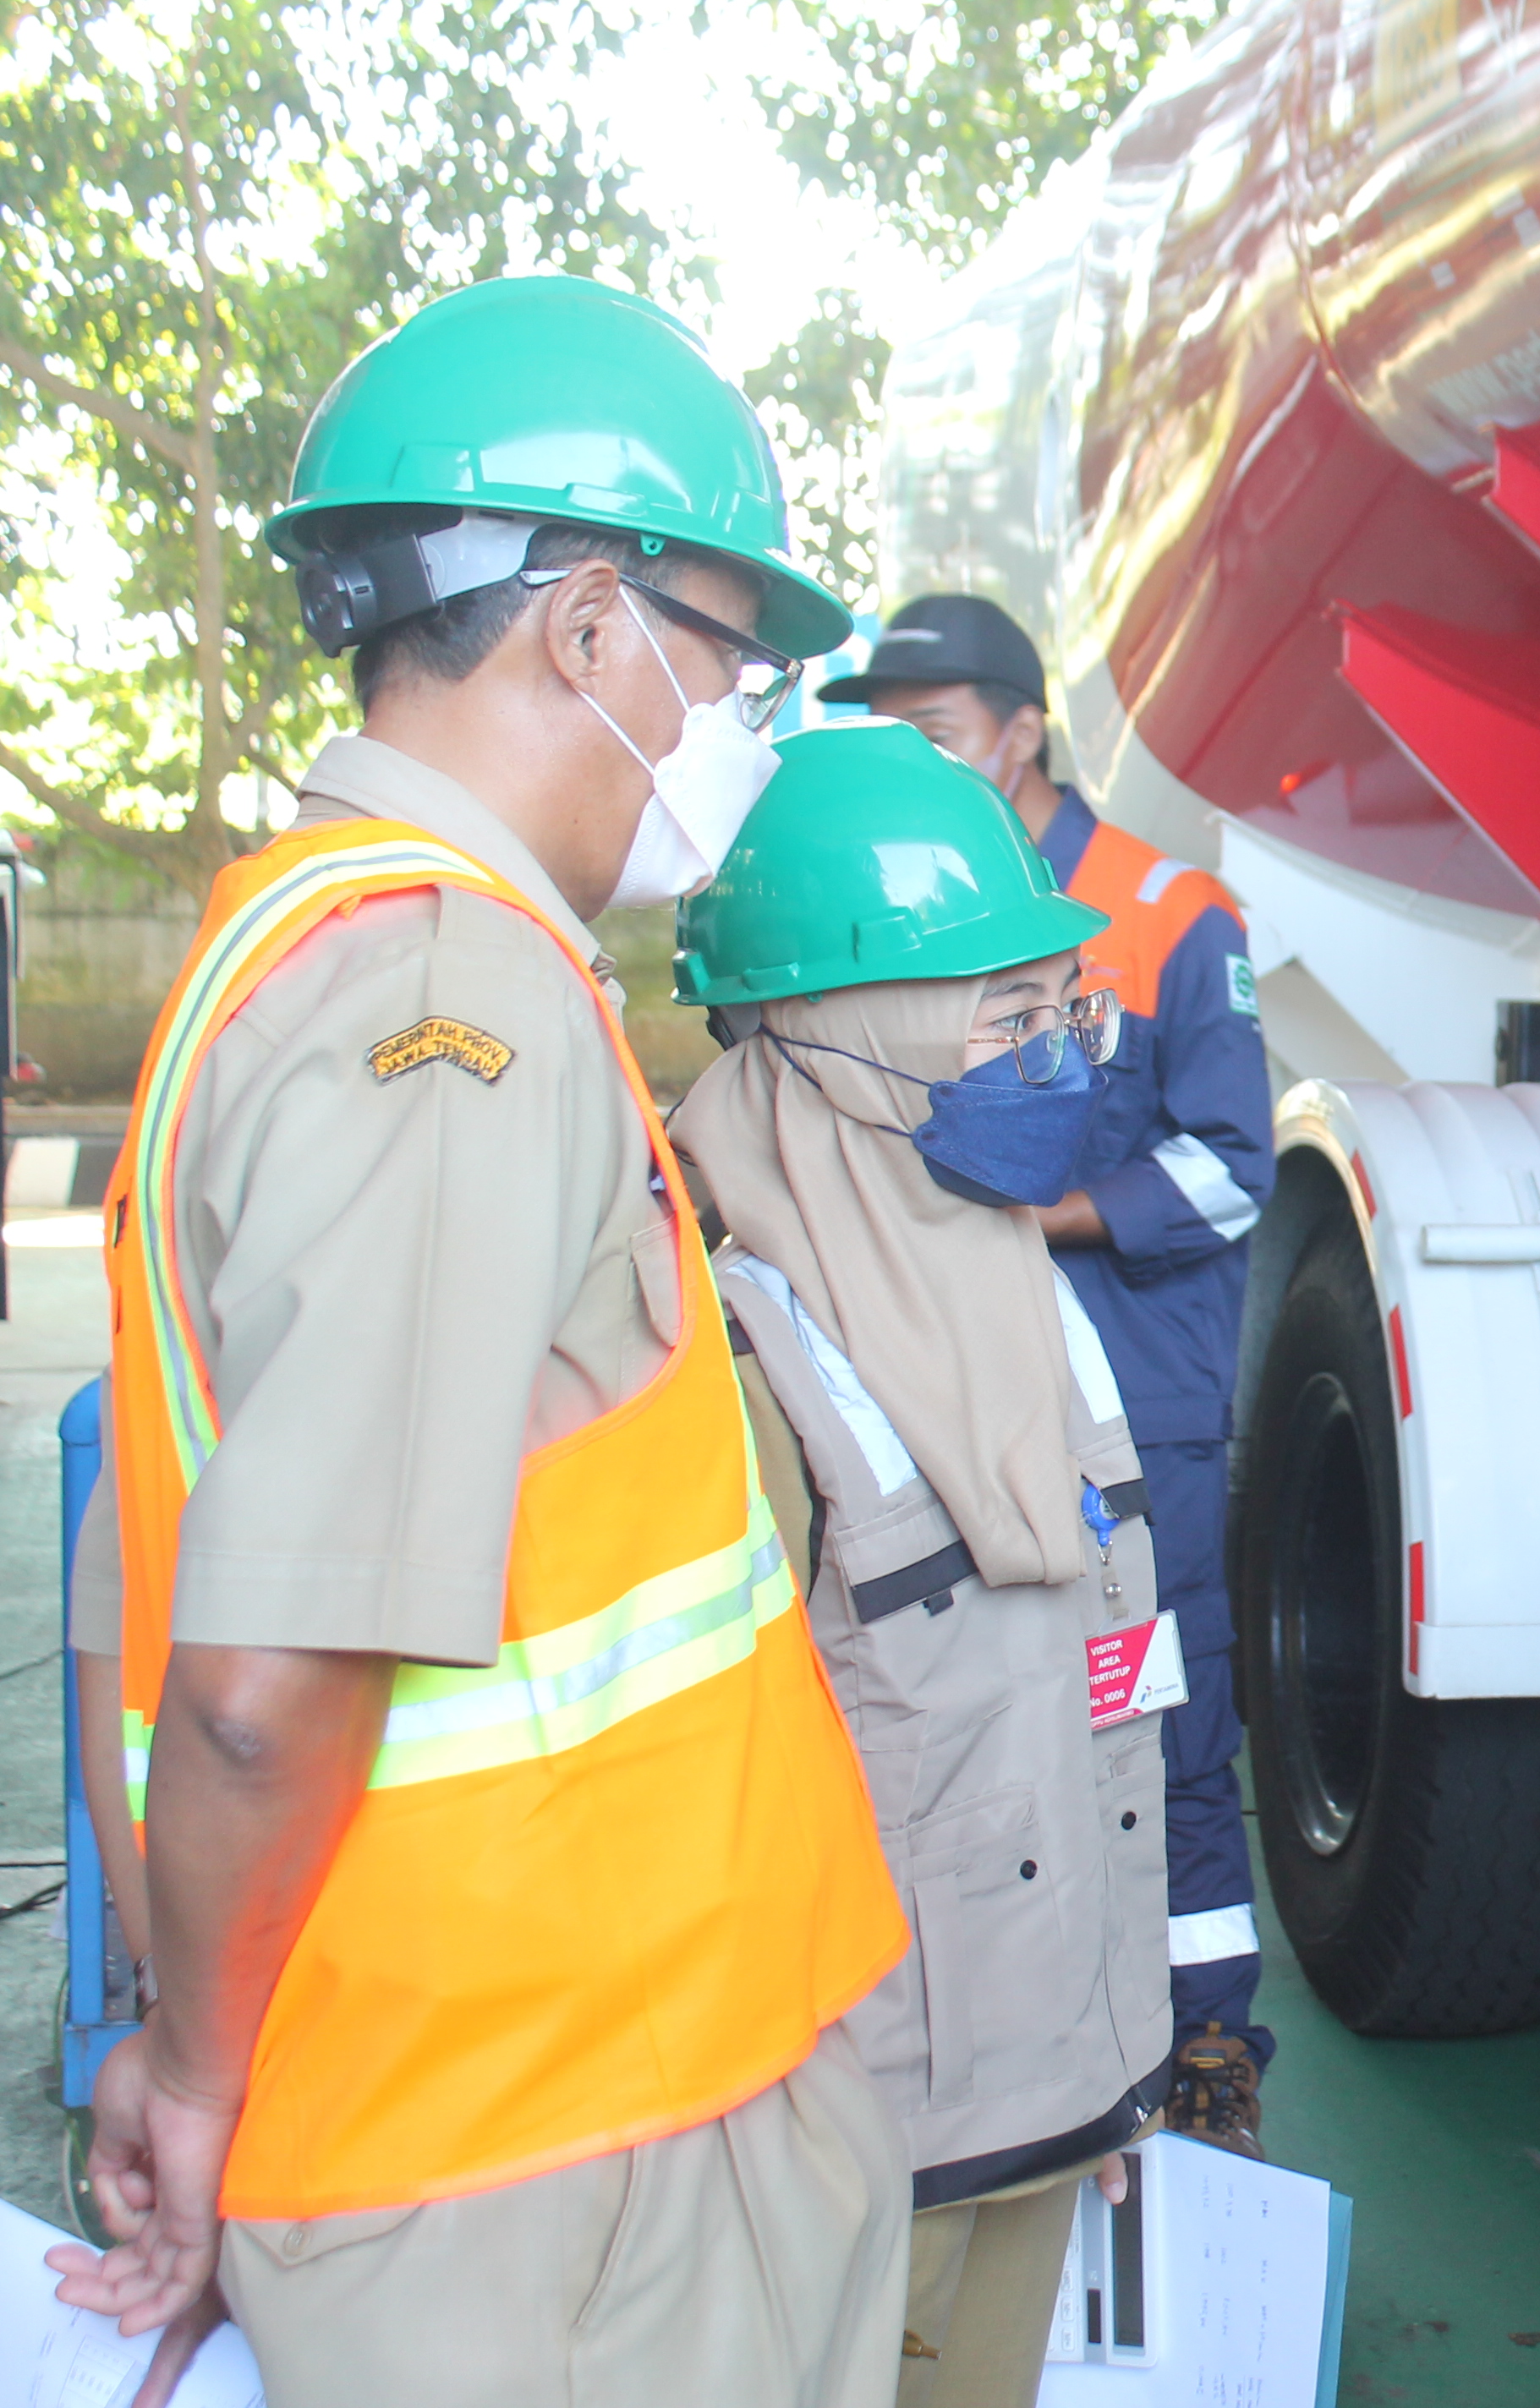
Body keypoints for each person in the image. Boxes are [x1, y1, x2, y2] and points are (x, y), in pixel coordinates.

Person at [54, 275, 911, 2408]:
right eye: (731, 663)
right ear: (591, 627)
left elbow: (139, 1580)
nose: (737, 730)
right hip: (566, 2160)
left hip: (502, 2118)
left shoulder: (294, 944)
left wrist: (195, 2034)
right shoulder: (452, 996)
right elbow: (262, 1680)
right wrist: (192, 2069)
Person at [671, 720, 1174, 2407]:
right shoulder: (734, 1368)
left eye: (1063, 1011)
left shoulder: (1034, 1302)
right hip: (846, 2154)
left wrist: (1122, 2058)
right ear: (840, 1038)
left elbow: (1111, 1702)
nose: (1055, 1064)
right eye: (1001, 1018)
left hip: (1055, 2101)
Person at [819, 595, 1275, 2150]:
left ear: (1022, 731)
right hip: (951, 1401)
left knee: (1162, 1716)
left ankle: (1203, 2043)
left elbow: (1231, 1170)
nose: (909, 758)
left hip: (1133, 1413)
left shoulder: (1165, 913)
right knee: (985, 1724)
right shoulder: (897, 918)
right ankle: (1030, 2047)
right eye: (885, 733)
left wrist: (1043, 1215)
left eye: (935, 730)